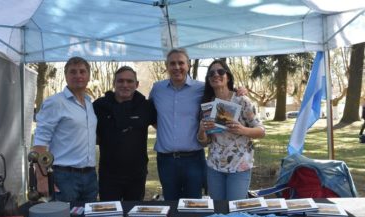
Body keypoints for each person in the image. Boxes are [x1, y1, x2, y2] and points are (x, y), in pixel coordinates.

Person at [197, 59, 265, 201]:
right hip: (214, 167)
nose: (216, 75)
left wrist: (242, 130)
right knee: (218, 210)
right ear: (208, 79)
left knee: (235, 210)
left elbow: (261, 131)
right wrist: (201, 130)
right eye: (211, 73)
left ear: (228, 76)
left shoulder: (242, 100)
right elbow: (205, 142)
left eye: (220, 71)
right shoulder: (207, 104)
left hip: (239, 166)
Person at [33, 56, 98, 203]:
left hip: (90, 177)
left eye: (82, 72)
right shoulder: (55, 103)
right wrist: (42, 178)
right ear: (66, 75)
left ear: (88, 76)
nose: (78, 75)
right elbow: (39, 143)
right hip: (64, 177)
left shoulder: (89, 103)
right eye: (73, 72)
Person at [149, 48, 209, 201]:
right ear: (167, 66)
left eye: (181, 63)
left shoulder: (202, 89)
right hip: (166, 160)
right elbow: (151, 116)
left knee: (193, 204)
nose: (177, 67)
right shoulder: (157, 89)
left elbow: (225, 94)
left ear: (188, 65)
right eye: (172, 63)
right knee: (171, 203)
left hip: (193, 159)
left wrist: (239, 91)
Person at [93, 66, 156, 201]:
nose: (125, 85)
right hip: (109, 175)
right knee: (109, 215)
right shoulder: (99, 106)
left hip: (137, 175)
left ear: (136, 84)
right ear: (114, 83)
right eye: (120, 81)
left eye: (129, 81)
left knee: (133, 215)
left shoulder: (146, 106)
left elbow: (163, 128)